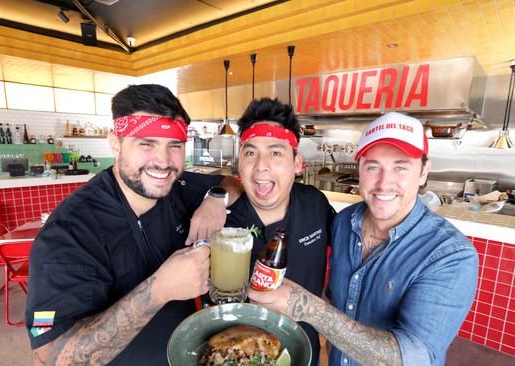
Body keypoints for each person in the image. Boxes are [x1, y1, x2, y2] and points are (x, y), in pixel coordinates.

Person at [26, 84, 242, 365]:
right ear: (115, 143)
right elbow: (54, 355)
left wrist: (216, 199)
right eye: (146, 144)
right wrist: (159, 290)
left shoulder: (176, 189)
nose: (163, 162)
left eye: (174, 146)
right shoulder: (70, 231)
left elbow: (232, 181)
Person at [250, 112, 478, 365]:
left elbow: (414, 358)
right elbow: (336, 300)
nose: (384, 183)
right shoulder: (343, 223)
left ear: (424, 171)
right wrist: (219, 193)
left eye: (400, 167)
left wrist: (308, 308)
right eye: (373, 166)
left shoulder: (451, 255)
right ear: (359, 168)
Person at [224, 97, 335, 365]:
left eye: (275, 153)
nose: (261, 166)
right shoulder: (220, 221)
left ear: (297, 163)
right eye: (250, 153)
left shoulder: (314, 204)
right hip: (235, 354)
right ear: (239, 163)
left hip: (301, 352)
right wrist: (215, 195)